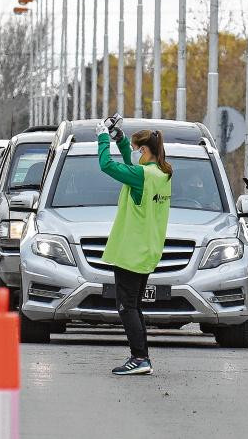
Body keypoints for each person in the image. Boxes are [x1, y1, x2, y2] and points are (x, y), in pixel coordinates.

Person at [96, 123, 173, 375]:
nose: (134, 154)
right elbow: (132, 165)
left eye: (136, 150)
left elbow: (107, 166)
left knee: (126, 306)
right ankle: (141, 357)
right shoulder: (160, 175)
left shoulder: (142, 176)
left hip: (131, 251)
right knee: (135, 306)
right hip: (147, 250)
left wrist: (103, 139)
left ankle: (139, 358)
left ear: (144, 151)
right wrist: (120, 141)